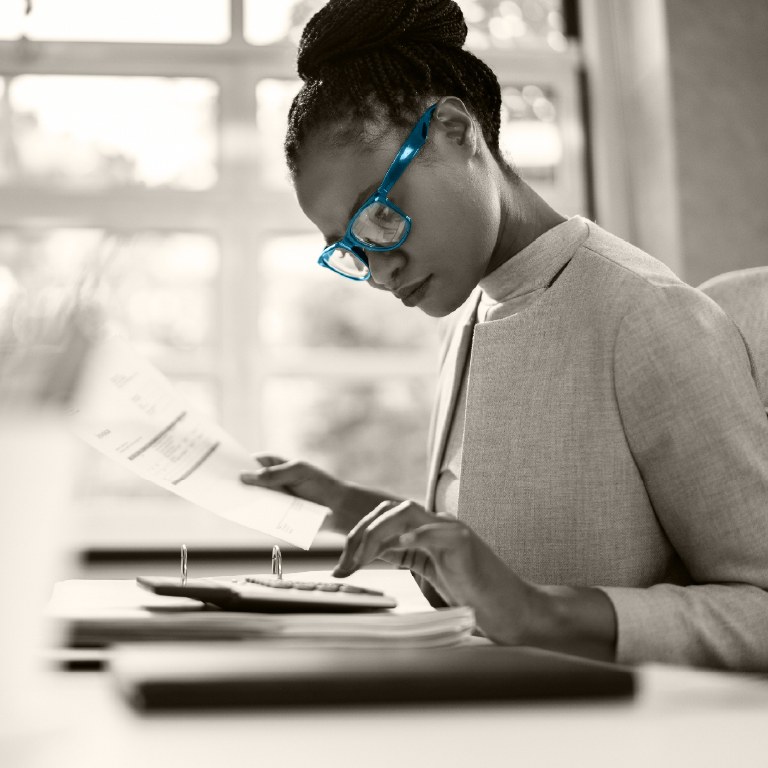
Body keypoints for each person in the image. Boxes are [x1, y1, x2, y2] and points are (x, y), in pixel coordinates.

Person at [241, 0, 768, 670]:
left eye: (377, 216)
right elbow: (495, 563)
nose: (377, 270)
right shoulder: (468, 313)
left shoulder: (646, 316)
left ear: (455, 131)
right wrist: (351, 506)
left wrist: (544, 613)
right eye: (347, 249)